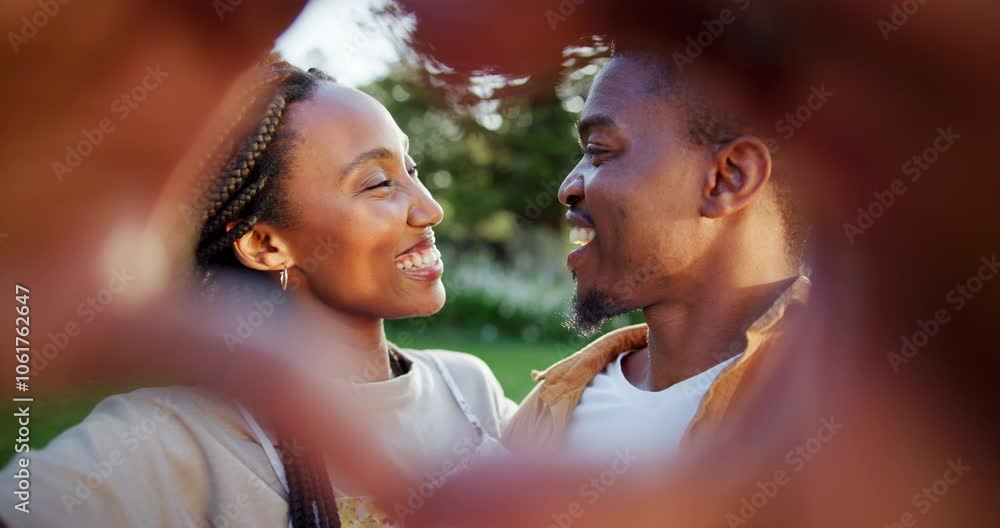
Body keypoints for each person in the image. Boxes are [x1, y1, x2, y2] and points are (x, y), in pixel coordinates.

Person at [0, 59, 515, 528]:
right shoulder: (172, 440)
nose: (430, 209)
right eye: (378, 183)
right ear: (265, 245)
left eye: (412, 169)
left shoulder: (468, 390)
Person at [503, 46, 811, 461]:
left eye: (599, 151)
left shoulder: (853, 414)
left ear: (727, 179)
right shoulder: (552, 405)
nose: (568, 187)